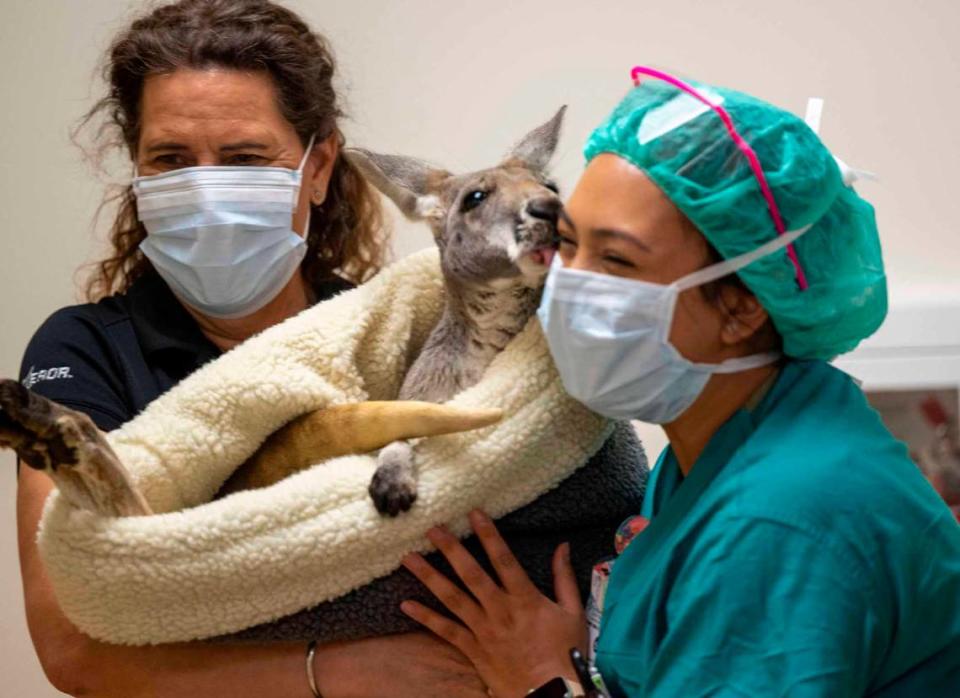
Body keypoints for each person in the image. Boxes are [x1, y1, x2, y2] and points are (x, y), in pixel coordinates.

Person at [399, 67, 960, 697]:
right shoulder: (732, 437)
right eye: (570, 244)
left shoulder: (780, 522)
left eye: (616, 261)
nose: (567, 282)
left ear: (743, 305)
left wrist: (547, 683)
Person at [16, 1, 489, 695]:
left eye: (242, 159)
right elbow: (73, 647)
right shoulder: (83, 351)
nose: (206, 191)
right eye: (171, 160)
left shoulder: (390, 333)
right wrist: (337, 671)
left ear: (318, 166)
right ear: (139, 173)